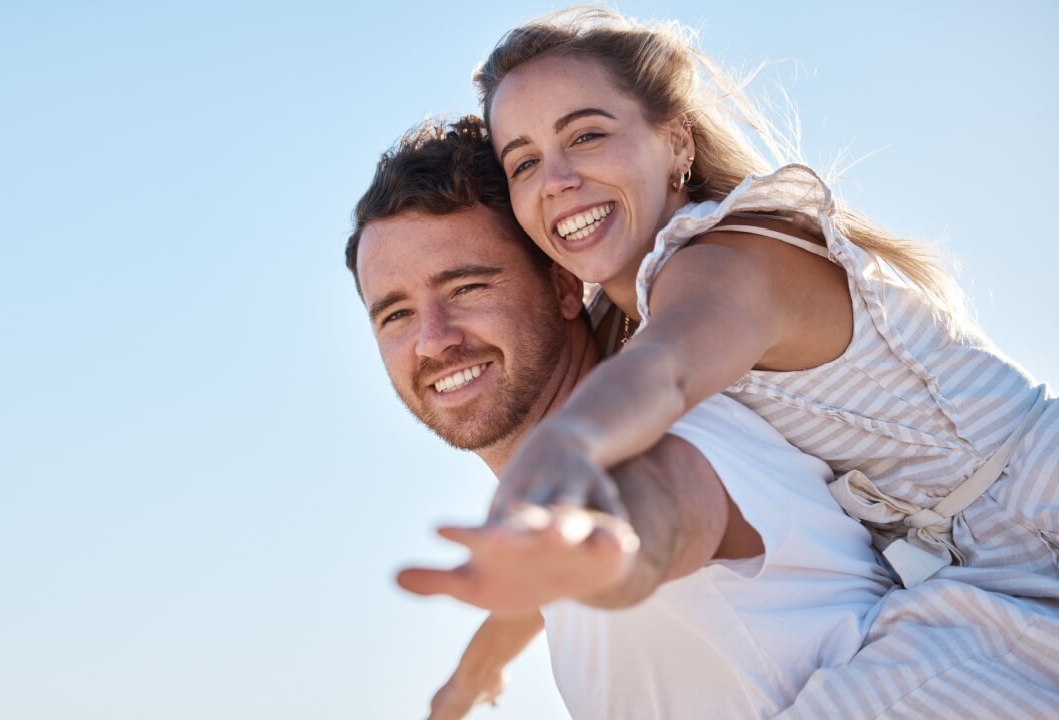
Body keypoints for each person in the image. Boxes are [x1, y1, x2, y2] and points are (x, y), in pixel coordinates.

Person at [466, 6, 1059, 712]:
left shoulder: (725, 259)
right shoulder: (632, 319)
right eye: (525, 162)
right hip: (962, 584)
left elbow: (668, 368)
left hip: (1036, 512)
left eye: (587, 135)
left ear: (676, 142)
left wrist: (565, 446)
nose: (556, 179)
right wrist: (480, 664)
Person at [345, 115, 891, 719]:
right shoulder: (547, 539)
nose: (431, 340)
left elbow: (657, 510)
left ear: (562, 287)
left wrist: (602, 548)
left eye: (467, 288)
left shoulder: (678, 439)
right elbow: (538, 584)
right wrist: (469, 680)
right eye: (394, 315)